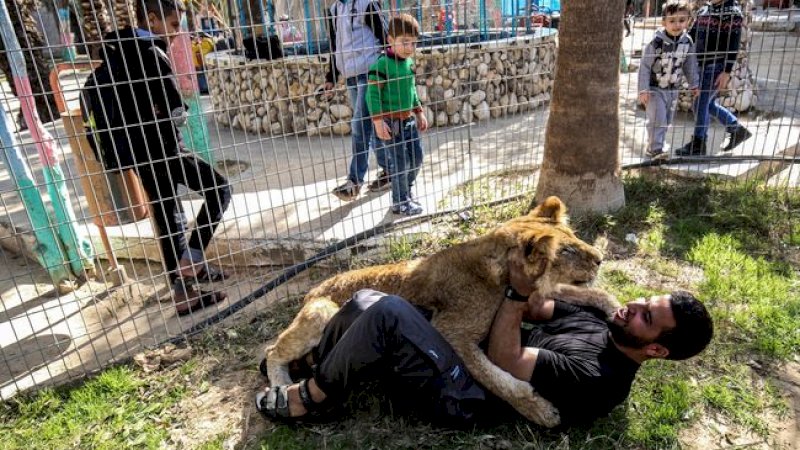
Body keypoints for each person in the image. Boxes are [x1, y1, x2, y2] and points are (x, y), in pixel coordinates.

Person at [254, 248, 714, 427]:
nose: (633, 306)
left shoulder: (598, 375)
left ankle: (310, 398)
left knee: (390, 313)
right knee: (366, 300)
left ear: (654, 349)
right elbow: (542, 304)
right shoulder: (606, 320)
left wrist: (513, 295)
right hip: (473, 362)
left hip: (467, 394)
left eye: (646, 317)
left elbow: (506, 359)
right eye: (645, 300)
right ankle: (322, 369)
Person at [82, 0, 231, 316]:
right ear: (151, 18)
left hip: (137, 152)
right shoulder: (150, 52)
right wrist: (177, 116)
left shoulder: (118, 51)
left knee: (168, 216)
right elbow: (174, 107)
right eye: (174, 25)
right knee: (219, 189)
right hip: (164, 148)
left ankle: (183, 291)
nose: (177, 33)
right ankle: (191, 261)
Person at [325, 0, 392, 202]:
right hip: (351, 75)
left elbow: (386, 37)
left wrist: (388, 69)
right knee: (370, 126)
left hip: (370, 74)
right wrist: (331, 77)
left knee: (359, 126)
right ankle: (391, 169)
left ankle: (354, 182)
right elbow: (335, 45)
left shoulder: (368, 4)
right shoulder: (335, 9)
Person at [366, 14, 429, 216]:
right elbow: (372, 94)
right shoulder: (382, 64)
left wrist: (418, 112)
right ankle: (399, 202)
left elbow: (411, 90)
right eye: (404, 42)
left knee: (417, 158)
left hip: (408, 120)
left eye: (413, 43)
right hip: (391, 124)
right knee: (400, 163)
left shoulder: (408, 63)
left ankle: (406, 192)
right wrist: (377, 122)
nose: (409, 47)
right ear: (390, 40)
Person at [676, 0, 752, 156]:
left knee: (700, 104)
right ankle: (736, 129)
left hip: (715, 67)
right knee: (706, 104)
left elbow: (733, 44)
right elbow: (692, 35)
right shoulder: (705, 10)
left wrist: (727, 71)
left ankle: (699, 143)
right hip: (701, 65)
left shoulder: (732, 12)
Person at [637, 0, 699, 160]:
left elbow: (690, 65)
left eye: (681, 20)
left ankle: (656, 144)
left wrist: (694, 84)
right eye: (672, 21)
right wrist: (643, 89)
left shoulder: (687, 42)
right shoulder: (656, 43)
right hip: (654, 89)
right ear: (664, 21)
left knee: (666, 120)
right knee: (657, 118)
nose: (677, 25)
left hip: (673, 89)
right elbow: (644, 66)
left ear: (688, 21)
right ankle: (655, 149)